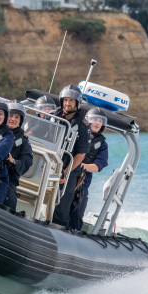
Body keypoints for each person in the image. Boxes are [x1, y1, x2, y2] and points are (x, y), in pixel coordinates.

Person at [51, 84, 90, 227]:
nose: (67, 103)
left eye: (71, 101)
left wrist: (65, 173)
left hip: (68, 171)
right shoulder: (53, 116)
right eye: (65, 100)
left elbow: (81, 154)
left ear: (77, 103)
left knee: (61, 206)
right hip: (49, 164)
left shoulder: (82, 126)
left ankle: (59, 229)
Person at [68, 107, 109, 231]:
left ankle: (73, 233)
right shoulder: (78, 133)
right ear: (89, 120)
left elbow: (97, 166)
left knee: (77, 212)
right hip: (66, 174)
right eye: (95, 119)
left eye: (100, 121)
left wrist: (80, 165)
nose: (97, 123)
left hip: (82, 182)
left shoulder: (102, 144)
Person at [3, 101, 33, 211]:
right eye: (10, 115)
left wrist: (14, 162)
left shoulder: (23, 140)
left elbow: (27, 161)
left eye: (17, 117)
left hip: (7, 177)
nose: (13, 119)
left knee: (9, 200)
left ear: (21, 121)